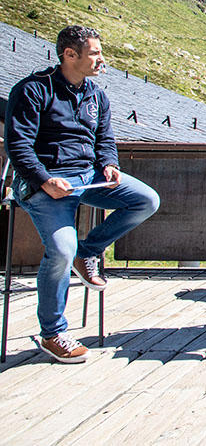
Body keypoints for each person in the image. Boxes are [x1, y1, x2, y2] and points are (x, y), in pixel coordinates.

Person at [4, 25, 160, 364]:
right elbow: (17, 146)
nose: (102, 59)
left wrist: (109, 163)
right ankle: (53, 333)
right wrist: (45, 180)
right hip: (44, 183)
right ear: (69, 55)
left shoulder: (96, 94)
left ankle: (87, 251)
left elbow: (105, 137)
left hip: (88, 177)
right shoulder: (32, 90)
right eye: (94, 53)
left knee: (146, 200)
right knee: (60, 248)